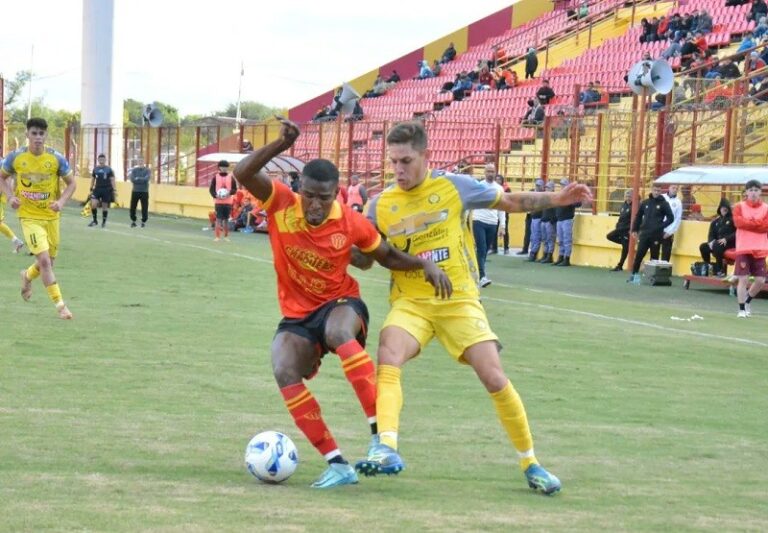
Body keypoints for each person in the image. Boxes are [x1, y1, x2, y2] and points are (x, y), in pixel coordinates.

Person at [355, 120, 592, 495]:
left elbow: (510, 202)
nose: (398, 170)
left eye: (406, 161)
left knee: (493, 376)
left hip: (459, 301)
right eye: (393, 162)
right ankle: (386, 446)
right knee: (388, 355)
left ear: (425, 156)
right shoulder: (380, 204)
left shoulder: (454, 186)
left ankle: (531, 462)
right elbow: (367, 255)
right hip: (411, 302)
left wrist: (556, 199)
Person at [232, 117, 452, 489]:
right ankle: (337, 463)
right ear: (299, 188)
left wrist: (423, 264)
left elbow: (385, 256)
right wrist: (280, 145)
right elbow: (243, 172)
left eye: (324, 197)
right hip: (298, 315)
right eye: (309, 195)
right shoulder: (281, 203)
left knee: (338, 331)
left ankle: (380, 440)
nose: (315, 204)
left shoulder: (351, 223)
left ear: (337, 194)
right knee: (283, 367)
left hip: (341, 302)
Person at [0, 117, 76, 319]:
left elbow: (72, 184)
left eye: (41, 134)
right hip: (29, 217)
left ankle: (26, 275)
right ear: (27, 135)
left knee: (49, 261)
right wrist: (10, 196)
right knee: (43, 260)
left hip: (51, 217)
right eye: (34, 133)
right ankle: (61, 306)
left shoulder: (56, 158)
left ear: (46, 135)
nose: (38, 138)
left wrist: (60, 203)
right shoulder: (16, 157)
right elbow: (2, 177)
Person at [732, 180, 768, 317]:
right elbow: (738, 223)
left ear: (760, 192)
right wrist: (756, 224)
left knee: (760, 280)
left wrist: (750, 223)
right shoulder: (738, 206)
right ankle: (741, 309)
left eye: (756, 190)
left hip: (760, 248)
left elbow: (766, 226)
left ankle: (747, 301)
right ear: (746, 192)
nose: (753, 192)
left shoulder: (766, 208)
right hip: (744, 247)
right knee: (743, 279)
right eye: (751, 190)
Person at [628, 183, 674, 284]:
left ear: (661, 191)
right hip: (644, 233)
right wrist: (634, 230)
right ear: (651, 190)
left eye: (658, 191)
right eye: (655, 190)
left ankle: (652, 279)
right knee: (639, 255)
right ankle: (634, 276)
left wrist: (661, 226)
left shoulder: (664, 204)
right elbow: (638, 216)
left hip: (656, 235)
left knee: (654, 257)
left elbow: (671, 218)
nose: (656, 192)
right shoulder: (645, 203)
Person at [471, 163, 504, 287]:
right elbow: (471, 203)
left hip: (492, 222)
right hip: (479, 220)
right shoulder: (479, 186)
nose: (490, 174)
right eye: (488, 171)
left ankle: (476, 272)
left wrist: (503, 225)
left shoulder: (499, 189)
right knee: (481, 247)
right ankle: (482, 275)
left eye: (492, 171)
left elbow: (502, 208)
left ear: (495, 173)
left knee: (484, 250)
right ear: (484, 173)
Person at [699, 198, 735, 277]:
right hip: (717, 243)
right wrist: (710, 242)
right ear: (719, 209)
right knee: (703, 247)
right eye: (722, 208)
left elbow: (737, 233)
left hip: (730, 243)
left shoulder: (733, 219)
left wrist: (726, 239)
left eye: (726, 208)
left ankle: (720, 270)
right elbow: (711, 234)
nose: (724, 210)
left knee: (717, 246)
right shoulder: (715, 221)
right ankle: (708, 266)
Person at [553, 179, 580, 266]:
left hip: (567, 220)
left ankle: (566, 258)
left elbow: (579, 203)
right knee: (560, 240)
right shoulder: (560, 195)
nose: (562, 187)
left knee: (566, 239)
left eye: (563, 185)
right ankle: (561, 257)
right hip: (560, 220)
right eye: (561, 185)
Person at [209, 160, 238, 242]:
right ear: (219, 167)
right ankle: (217, 236)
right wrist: (215, 195)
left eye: (226, 167)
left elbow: (235, 189)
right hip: (218, 202)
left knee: (226, 220)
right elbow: (211, 189)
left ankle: (226, 236)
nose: (224, 168)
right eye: (222, 167)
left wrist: (230, 193)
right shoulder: (215, 177)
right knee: (218, 219)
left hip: (228, 202)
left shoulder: (231, 177)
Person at [605, 189, 633, 271]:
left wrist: (630, 229)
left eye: (630, 196)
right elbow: (621, 217)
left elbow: (635, 220)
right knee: (609, 236)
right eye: (627, 196)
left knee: (625, 250)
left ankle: (620, 265)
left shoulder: (634, 206)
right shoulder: (623, 205)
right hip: (620, 228)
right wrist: (617, 225)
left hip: (626, 230)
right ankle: (626, 243)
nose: (628, 198)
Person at [88, 153, 116, 228]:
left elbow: (112, 179)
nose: (101, 160)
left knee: (104, 206)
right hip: (97, 189)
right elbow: (93, 179)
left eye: (103, 159)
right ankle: (95, 220)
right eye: (100, 159)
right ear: (98, 160)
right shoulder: (95, 169)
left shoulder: (109, 169)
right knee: (93, 204)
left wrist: (114, 189)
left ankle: (104, 222)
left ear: (105, 160)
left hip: (107, 189)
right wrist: (91, 188)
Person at [658, 184, 683, 262]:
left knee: (666, 252)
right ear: (669, 188)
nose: (675, 189)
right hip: (657, 228)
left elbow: (677, 219)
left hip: (669, 230)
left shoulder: (678, 202)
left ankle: (663, 270)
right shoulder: (661, 197)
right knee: (654, 249)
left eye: (676, 188)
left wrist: (670, 232)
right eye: (673, 188)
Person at [493, 174, 511, 254]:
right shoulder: (493, 189)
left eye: (499, 180)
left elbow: (509, 200)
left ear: (502, 181)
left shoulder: (506, 189)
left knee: (505, 230)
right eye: (496, 179)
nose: (497, 181)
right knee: (494, 230)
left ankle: (506, 248)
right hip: (495, 212)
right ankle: (494, 248)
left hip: (504, 212)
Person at [129, 163, 150, 227]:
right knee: (133, 206)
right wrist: (141, 179)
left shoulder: (147, 170)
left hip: (144, 191)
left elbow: (146, 179)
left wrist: (137, 178)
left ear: (144, 163)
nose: (140, 163)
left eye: (142, 161)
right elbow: (132, 179)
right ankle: (133, 220)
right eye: (139, 161)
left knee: (144, 207)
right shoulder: (134, 170)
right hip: (135, 191)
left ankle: (143, 221)